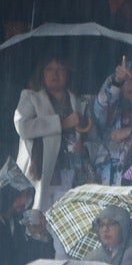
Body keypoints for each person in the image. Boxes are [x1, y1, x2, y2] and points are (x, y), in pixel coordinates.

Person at [13, 56, 93, 213]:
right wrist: (62, 123)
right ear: (42, 73)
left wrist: (84, 147)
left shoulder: (79, 101)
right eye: (49, 69)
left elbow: (93, 137)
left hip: (72, 174)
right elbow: (23, 127)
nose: (54, 74)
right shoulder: (31, 97)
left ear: (68, 73)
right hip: (41, 174)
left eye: (60, 69)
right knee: (40, 223)